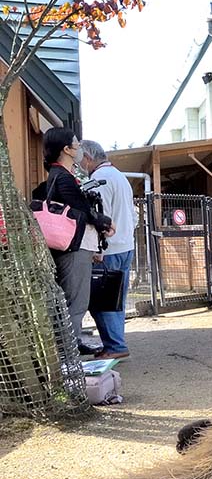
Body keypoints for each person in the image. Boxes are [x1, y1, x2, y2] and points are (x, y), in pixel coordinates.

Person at [32, 127, 112, 357]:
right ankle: (68, 355)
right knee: (75, 302)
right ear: (66, 149)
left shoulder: (58, 176)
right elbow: (83, 211)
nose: (79, 149)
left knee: (74, 301)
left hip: (73, 246)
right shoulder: (63, 178)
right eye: (76, 145)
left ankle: (72, 344)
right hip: (73, 248)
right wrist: (104, 223)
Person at [80, 141, 134, 360]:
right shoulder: (120, 177)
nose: (80, 164)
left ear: (88, 158)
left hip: (108, 248)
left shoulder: (99, 180)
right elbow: (131, 214)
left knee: (102, 300)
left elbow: (102, 215)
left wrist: (98, 247)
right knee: (116, 298)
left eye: (81, 159)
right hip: (125, 245)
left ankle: (115, 345)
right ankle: (116, 343)